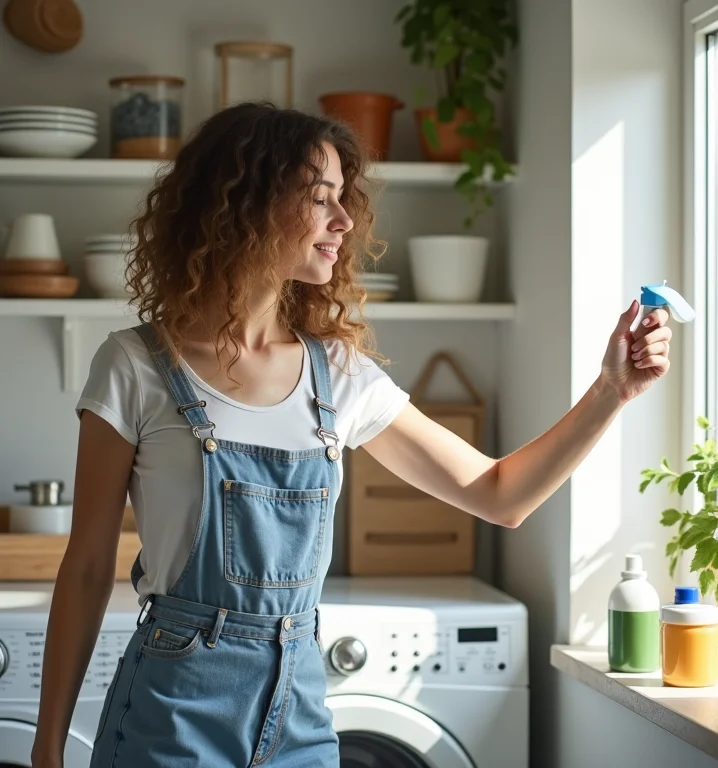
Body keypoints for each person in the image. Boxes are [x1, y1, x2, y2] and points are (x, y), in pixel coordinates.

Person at [31, 102, 672, 768]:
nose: (343, 223)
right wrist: (48, 749)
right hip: (175, 709)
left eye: (344, 201)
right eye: (319, 199)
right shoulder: (135, 366)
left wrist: (611, 392)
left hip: (298, 714)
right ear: (246, 204)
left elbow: (499, 494)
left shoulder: (339, 376)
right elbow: (85, 569)